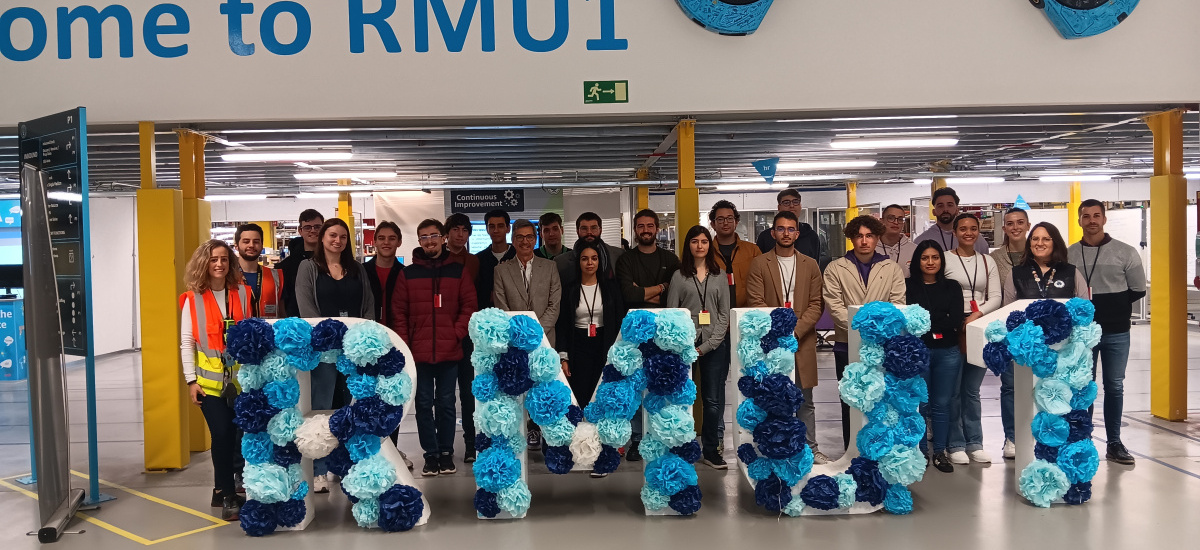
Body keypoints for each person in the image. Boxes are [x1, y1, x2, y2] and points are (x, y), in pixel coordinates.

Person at [294, 219, 376, 492]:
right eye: (332, 235)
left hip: (354, 351)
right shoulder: (308, 268)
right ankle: (318, 471)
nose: (337, 240)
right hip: (324, 353)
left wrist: (364, 340)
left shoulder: (357, 269)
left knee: (352, 407)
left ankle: (347, 465)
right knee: (321, 408)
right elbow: (306, 308)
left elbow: (368, 306)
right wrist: (325, 337)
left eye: (342, 236)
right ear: (322, 238)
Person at [392, 219, 478, 477]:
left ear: (442, 238)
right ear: (419, 241)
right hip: (418, 353)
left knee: (447, 403)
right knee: (423, 403)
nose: (429, 241)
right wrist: (406, 345)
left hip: (450, 349)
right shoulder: (407, 274)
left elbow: (469, 307)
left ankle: (446, 452)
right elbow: (399, 313)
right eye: (424, 237)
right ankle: (430, 455)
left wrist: (456, 333)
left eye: (433, 236)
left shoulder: (458, 271)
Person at [1067, 199, 1145, 465]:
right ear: (1079, 220)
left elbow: (1138, 289)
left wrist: (1114, 308)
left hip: (1116, 332)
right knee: (1083, 386)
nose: (1091, 220)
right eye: (1086, 216)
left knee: (1114, 385)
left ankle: (1114, 442)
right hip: (1082, 334)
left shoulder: (1125, 252)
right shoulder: (1069, 254)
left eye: (1096, 215)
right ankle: (1082, 438)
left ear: (1104, 219)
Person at [179, 239, 253, 520]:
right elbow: (187, 342)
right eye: (213, 260)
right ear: (204, 264)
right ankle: (230, 498)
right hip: (208, 385)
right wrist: (190, 381)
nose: (219, 264)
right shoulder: (192, 299)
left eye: (224, 259)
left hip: (242, 382)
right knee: (221, 435)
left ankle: (220, 489)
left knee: (238, 436)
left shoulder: (244, 295)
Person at [747, 211, 827, 464]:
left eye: (790, 229)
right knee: (773, 398)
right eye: (780, 229)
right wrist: (778, 332)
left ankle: (810, 449)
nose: (786, 233)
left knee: (805, 400)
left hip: (802, 341)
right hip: (771, 345)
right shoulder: (760, 264)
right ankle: (775, 449)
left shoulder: (810, 264)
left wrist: (794, 331)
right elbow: (756, 302)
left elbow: (816, 304)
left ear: (797, 233)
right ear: (773, 233)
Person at [823, 214, 906, 453]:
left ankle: (878, 449)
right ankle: (852, 449)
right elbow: (834, 305)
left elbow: (897, 304)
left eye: (869, 236)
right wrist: (863, 328)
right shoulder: (835, 268)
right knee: (850, 400)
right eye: (858, 236)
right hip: (846, 344)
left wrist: (877, 331)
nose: (864, 241)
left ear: (877, 237)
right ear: (851, 239)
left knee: (879, 398)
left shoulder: (890, 268)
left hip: (882, 346)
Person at [556, 241, 626, 477]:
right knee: (580, 400)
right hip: (578, 348)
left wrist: (617, 354)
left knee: (602, 403)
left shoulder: (610, 288)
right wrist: (563, 356)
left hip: (603, 347)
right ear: (579, 262)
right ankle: (580, 452)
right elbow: (563, 325)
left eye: (594, 258)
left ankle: (603, 458)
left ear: (600, 261)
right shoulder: (570, 289)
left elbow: (617, 322)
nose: (589, 263)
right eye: (585, 259)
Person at [614, 209, 679, 461]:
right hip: (634, 332)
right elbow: (629, 295)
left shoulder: (671, 259)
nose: (645, 230)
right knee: (634, 386)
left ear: (658, 228)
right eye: (640, 226)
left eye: (650, 226)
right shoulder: (626, 260)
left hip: (665, 333)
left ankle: (660, 435)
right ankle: (637, 437)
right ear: (635, 229)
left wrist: (644, 291)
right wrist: (659, 288)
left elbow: (671, 295)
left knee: (660, 386)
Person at [666, 226, 731, 469]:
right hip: (684, 347)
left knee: (712, 401)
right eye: (695, 241)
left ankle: (711, 450)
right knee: (681, 400)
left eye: (704, 241)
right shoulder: (678, 276)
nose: (700, 245)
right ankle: (682, 447)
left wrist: (707, 346)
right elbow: (672, 312)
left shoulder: (720, 275)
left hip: (714, 346)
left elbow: (724, 315)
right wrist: (683, 346)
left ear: (709, 245)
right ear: (688, 246)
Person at [942, 213, 1001, 465]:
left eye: (973, 229)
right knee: (953, 390)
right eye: (963, 228)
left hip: (978, 326)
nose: (969, 233)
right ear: (954, 232)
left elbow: (996, 297)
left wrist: (976, 315)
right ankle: (954, 443)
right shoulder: (944, 259)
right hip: (951, 325)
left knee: (971, 390)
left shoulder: (988, 262)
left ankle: (975, 442)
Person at [905, 240, 964, 473]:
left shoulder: (952, 287)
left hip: (948, 352)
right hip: (918, 353)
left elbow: (955, 319)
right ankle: (920, 453)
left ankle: (940, 452)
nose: (930, 262)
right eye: (925, 258)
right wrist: (937, 323)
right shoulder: (908, 286)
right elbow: (908, 320)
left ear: (941, 260)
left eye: (935, 257)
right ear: (918, 261)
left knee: (941, 404)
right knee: (920, 404)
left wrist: (926, 323)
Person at [444, 213, 480, 463]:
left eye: (464, 230)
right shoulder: (439, 260)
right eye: (455, 229)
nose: (459, 234)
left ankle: (471, 443)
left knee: (469, 392)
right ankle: (443, 448)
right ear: (447, 234)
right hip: (442, 333)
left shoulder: (475, 262)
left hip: (468, 335)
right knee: (444, 395)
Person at [494, 219, 562, 345]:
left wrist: (535, 331)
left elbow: (554, 305)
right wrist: (519, 332)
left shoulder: (550, 267)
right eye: (520, 237)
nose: (525, 241)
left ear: (535, 240)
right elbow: (501, 307)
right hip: (514, 339)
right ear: (513, 240)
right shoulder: (501, 270)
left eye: (529, 237)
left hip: (544, 338)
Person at [708, 200, 762, 308]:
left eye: (729, 218)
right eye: (720, 219)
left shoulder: (753, 251)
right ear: (713, 224)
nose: (725, 223)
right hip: (715, 314)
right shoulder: (706, 252)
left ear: (736, 222)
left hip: (747, 313)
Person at [914, 187, 991, 256]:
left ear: (957, 210)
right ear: (933, 212)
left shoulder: (976, 240)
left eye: (950, 205)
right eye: (940, 206)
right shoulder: (921, 241)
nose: (945, 209)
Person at [555, 212, 624, 287]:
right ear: (577, 231)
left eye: (593, 228)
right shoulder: (560, 262)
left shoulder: (619, 255)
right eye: (584, 228)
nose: (589, 232)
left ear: (600, 230)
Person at [277, 209, 324, 318]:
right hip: (296, 324)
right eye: (307, 227)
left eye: (317, 227)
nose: (313, 231)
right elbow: (282, 300)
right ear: (300, 230)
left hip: (329, 322)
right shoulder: (285, 267)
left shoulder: (332, 261)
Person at [234, 223, 285, 318]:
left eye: (256, 241)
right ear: (236, 246)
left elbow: (282, 312)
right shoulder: (228, 276)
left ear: (262, 245)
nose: (251, 245)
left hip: (270, 331)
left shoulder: (276, 276)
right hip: (238, 331)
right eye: (246, 241)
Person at [756, 189, 821, 261]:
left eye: (795, 202)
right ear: (779, 207)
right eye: (786, 203)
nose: (791, 205)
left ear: (800, 206)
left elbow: (815, 267)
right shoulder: (765, 237)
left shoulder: (811, 236)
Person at [364, 221, 405, 327]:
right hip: (366, 335)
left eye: (392, 238)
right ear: (375, 242)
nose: (386, 242)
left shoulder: (405, 274)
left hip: (397, 336)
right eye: (381, 238)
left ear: (399, 242)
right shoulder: (361, 272)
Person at [475, 209, 516, 311]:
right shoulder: (479, 259)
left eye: (500, 226)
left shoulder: (518, 256)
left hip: (515, 314)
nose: (496, 230)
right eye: (492, 226)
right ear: (487, 229)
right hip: (486, 316)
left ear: (508, 228)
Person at [991, 207, 1031, 288]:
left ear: (1028, 226)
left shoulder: (1038, 254)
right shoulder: (994, 258)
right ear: (1004, 229)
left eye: (1020, 222)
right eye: (1010, 224)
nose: (1015, 227)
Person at [876, 205, 917, 277]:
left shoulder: (914, 249)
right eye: (891, 218)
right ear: (881, 221)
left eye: (900, 219)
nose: (896, 222)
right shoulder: (872, 249)